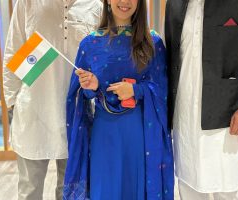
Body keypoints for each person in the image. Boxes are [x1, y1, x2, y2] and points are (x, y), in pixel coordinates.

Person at [62, 0, 174, 199]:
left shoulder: (152, 42)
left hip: (140, 135)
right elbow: (79, 95)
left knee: (135, 187)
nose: (125, 2)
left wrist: (136, 90)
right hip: (105, 134)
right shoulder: (90, 43)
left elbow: (163, 91)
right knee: (105, 189)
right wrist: (91, 87)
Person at [165, 0, 238, 199]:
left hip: (228, 115)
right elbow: (170, 56)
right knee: (189, 185)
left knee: (228, 186)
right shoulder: (174, 4)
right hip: (185, 117)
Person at [3, 1, 102, 199]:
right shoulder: (27, 2)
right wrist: (12, 101)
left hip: (77, 114)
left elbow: (101, 56)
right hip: (33, 112)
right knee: (29, 190)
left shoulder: (95, 5)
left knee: (71, 190)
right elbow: (13, 51)